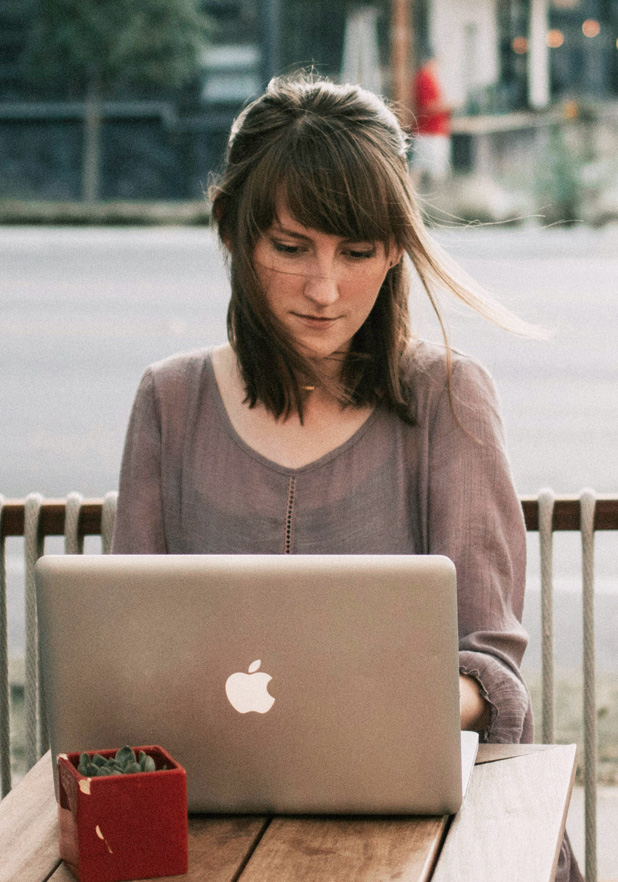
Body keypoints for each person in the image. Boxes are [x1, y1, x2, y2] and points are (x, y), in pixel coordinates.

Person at [111, 74, 581, 881]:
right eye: (290, 248)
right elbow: (124, 657)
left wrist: (378, 705)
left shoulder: (448, 398)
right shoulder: (169, 401)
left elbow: (493, 674)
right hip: (215, 833)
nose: (325, 290)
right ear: (232, 230)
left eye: (356, 252)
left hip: (422, 840)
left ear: (395, 247)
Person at [410, 50, 452, 189]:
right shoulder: (425, 78)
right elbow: (427, 106)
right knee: (431, 169)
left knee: (420, 167)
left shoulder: (428, 78)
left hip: (432, 131)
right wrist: (448, 105)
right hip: (429, 132)